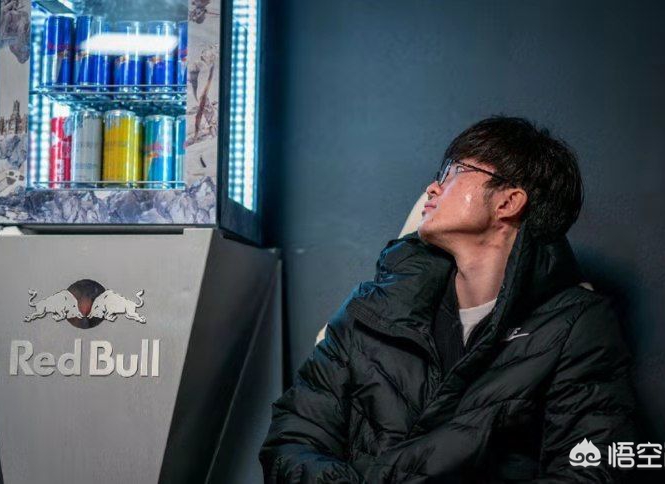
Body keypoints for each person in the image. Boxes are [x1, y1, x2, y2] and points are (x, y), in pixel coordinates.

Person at [260, 116, 638, 483]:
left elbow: (590, 470)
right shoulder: (371, 308)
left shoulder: (576, 326)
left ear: (508, 202)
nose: (432, 188)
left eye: (454, 171)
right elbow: (292, 441)